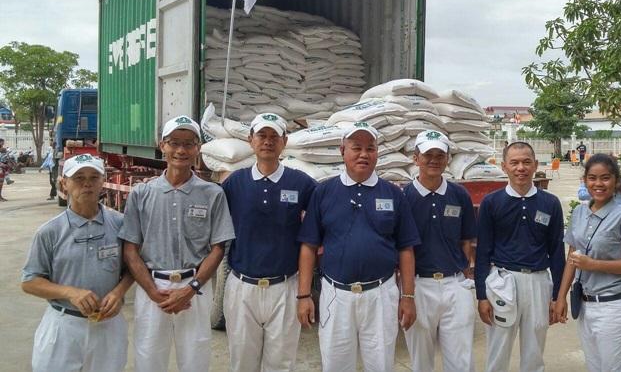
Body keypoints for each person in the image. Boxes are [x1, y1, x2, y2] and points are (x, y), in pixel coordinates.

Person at [296, 122, 420, 372]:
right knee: (335, 364)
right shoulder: (324, 192)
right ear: (342, 151)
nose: (364, 154)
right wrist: (304, 295)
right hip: (336, 296)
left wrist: (407, 297)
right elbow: (309, 246)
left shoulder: (394, 194)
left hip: (380, 295)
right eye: (356, 147)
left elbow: (406, 248)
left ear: (377, 153)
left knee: (381, 364)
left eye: (370, 148)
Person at [118, 115, 235, 372]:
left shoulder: (212, 194)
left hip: (195, 289)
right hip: (152, 287)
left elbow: (218, 248)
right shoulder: (142, 193)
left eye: (188, 144)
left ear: (197, 149)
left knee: (195, 360)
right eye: (174, 143)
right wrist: (151, 291)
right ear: (162, 145)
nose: (181, 150)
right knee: (149, 360)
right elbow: (131, 250)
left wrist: (191, 288)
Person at [221, 113, 317, 372]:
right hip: (242, 287)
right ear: (250, 140)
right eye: (262, 135)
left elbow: (325, 215)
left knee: (281, 364)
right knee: (242, 363)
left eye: (274, 136)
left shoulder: (301, 183)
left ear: (284, 142)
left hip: (284, 287)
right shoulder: (235, 183)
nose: (268, 141)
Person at [21, 154, 134, 372]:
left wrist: (118, 293)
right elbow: (30, 281)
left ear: (103, 182)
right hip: (64, 325)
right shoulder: (50, 232)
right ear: (64, 183)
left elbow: (131, 269)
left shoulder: (119, 225)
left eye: (94, 177)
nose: (87, 184)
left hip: (108, 326)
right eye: (79, 178)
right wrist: (70, 293)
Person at [475, 141, 565, 372]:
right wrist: (482, 296)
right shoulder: (491, 203)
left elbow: (557, 251)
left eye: (526, 162)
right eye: (514, 163)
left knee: (534, 352)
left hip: (538, 282)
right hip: (502, 282)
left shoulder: (550, 203)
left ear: (535, 165)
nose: (520, 168)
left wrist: (558, 295)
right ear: (504, 166)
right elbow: (483, 251)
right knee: (498, 350)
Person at [553, 153, 621, 372]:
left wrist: (594, 265)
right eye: (592, 178)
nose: (598, 184)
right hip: (585, 305)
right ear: (585, 180)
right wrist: (561, 297)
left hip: (612, 307)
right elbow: (572, 257)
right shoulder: (579, 212)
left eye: (605, 178)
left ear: (616, 181)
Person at [402, 130, 477, 372]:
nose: (434, 160)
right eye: (428, 155)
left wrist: (465, 273)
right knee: (421, 361)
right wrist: (405, 293)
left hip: (455, 284)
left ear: (447, 159)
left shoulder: (459, 195)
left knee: (461, 360)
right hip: (418, 285)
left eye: (439, 155)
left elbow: (466, 239)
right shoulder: (403, 197)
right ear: (416, 158)